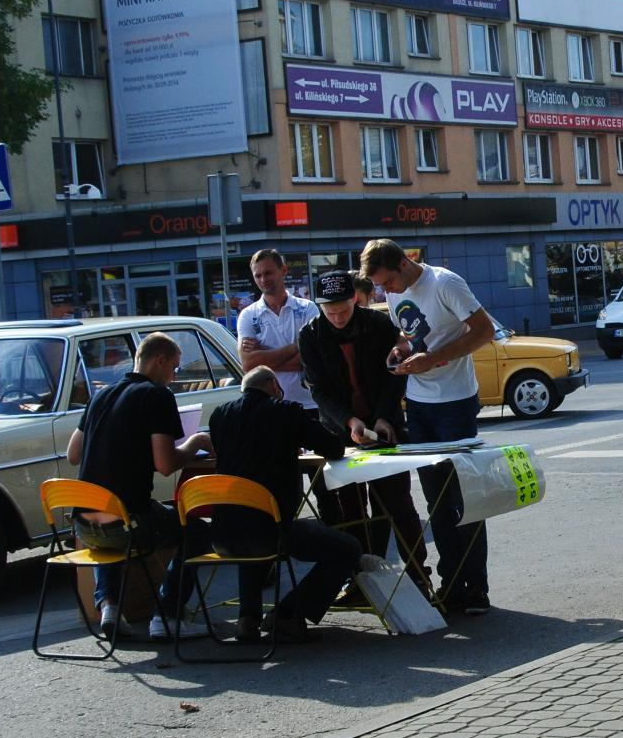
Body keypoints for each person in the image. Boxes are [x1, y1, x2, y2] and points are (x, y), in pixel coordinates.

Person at [361, 238, 498, 614]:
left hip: (455, 401)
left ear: (404, 264)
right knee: (437, 502)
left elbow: (484, 331)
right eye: (381, 287)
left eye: (389, 282)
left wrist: (433, 358)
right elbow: (410, 336)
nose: (387, 291)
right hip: (419, 403)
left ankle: (476, 587)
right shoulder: (395, 291)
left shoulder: (444, 283)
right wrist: (402, 351)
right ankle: (451, 584)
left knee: (463, 497)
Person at [64, 331, 210, 640]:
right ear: (160, 361)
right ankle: (167, 616)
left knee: (112, 522)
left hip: (84, 526)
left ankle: (110, 607)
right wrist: (196, 442)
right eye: (175, 367)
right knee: (197, 531)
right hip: (128, 524)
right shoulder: (157, 396)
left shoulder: (101, 395)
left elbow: (73, 454)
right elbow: (166, 464)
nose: (174, 376)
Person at [202, 367, 361, 643]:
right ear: (274, 385)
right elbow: (332, 448)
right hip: (271, 530)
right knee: (348, 549)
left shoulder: (220, 415)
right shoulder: (285, 411)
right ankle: (288, 613)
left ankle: (247, 618)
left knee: (248, 525)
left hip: (222, 532)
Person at [296, 270, 431, 593]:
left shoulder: (378, 324)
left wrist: (383, 417)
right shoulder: (310, 334)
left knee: (397, 505)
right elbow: (319, 390)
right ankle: (361, 578)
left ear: (355, 300)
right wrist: (349, 421)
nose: (338, 318)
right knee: (352, 510)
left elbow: (394, 374)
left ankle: (418, 575)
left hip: (384, 426)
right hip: (341, 431)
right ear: (320, 307)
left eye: (343, 310)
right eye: (330, 312)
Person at [237, 249, 319, 411]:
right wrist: (295, 347)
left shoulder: (307, 308)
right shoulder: (248, 315)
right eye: (258, 275)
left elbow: (313, 357)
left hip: (309, 404)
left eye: (268, 273)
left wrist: (264, 360)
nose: (263, 279)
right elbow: (248, 364)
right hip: (270, 407)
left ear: (284, 270)